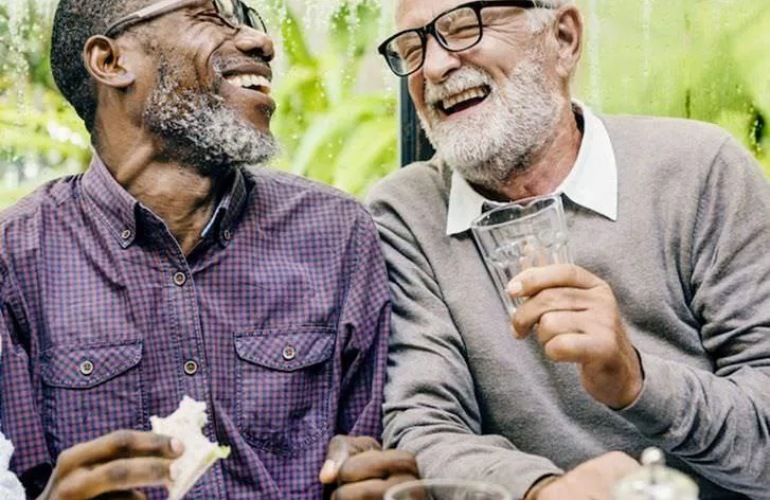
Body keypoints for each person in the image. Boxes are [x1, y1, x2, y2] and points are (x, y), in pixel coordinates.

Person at [0, 0, 418, 498]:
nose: (261, 42)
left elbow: (371, 456)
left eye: (248, 18)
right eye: (211, 14)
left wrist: (375, 481)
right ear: (111, 62)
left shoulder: (338, 233)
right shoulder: (15, 262)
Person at [367, 0, 770, 498]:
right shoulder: (405, 212)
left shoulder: (702, 171)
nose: (434, 66)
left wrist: (636, 381)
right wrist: (542, 491)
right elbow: (422, 429)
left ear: (563, 38)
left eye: (463, 27)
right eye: (412, 47)